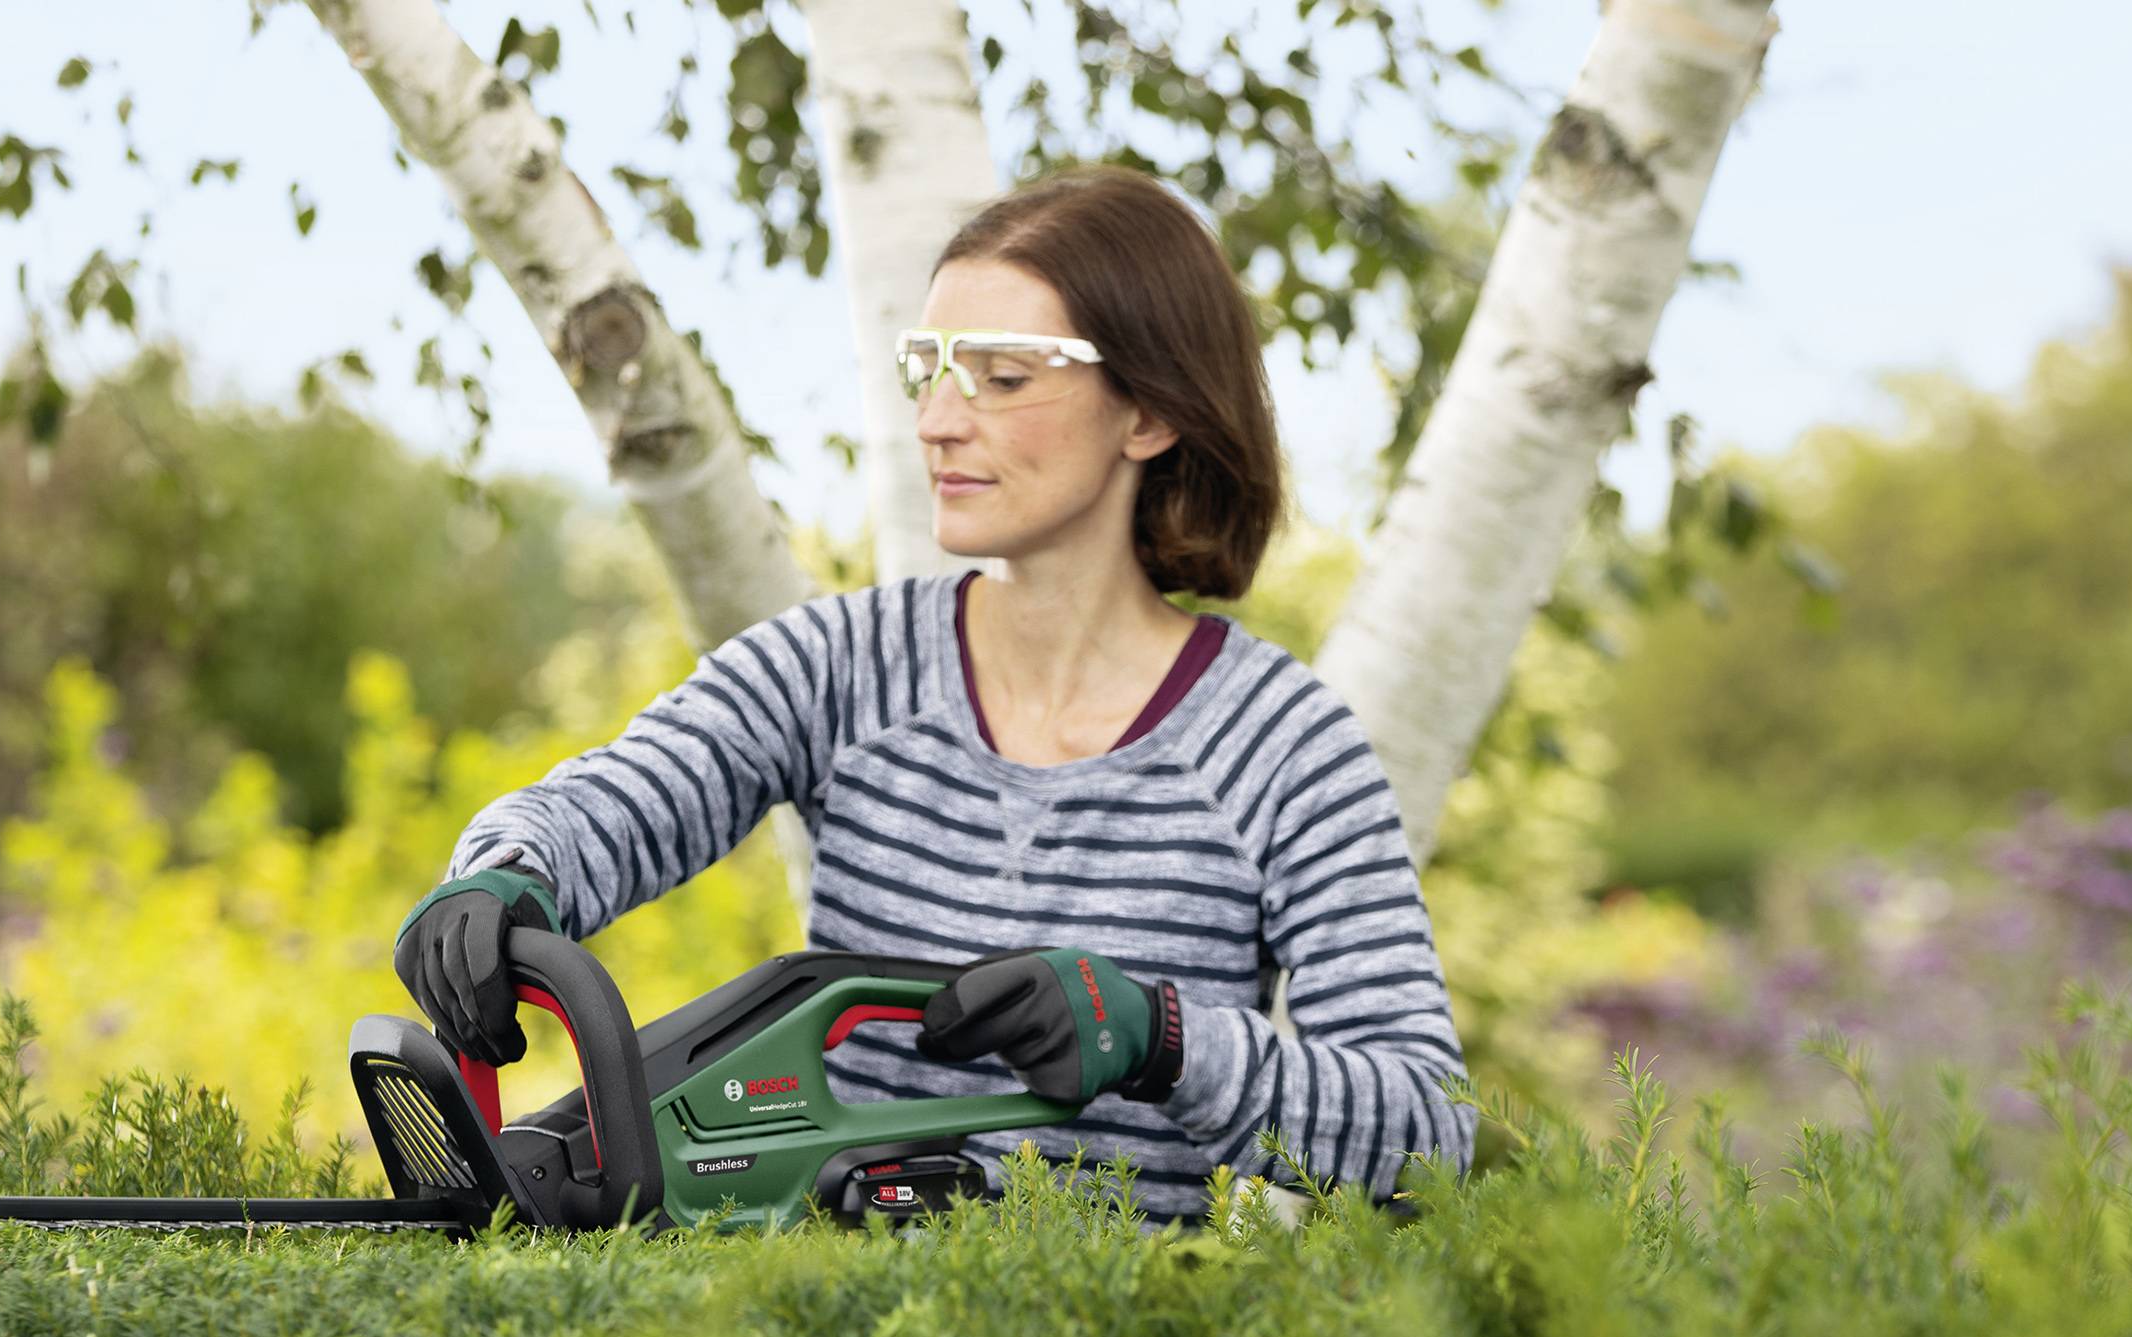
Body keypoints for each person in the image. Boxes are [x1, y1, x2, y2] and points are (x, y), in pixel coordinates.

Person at [394, 164, 1469, 1220]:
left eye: (1001, 377)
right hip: (827, 1312)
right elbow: (620, 797)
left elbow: (1429, 1135)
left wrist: (1162, 1039)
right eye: (930, 368)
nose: (938, 421)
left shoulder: (1285, 748)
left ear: (1147, 413)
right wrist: (507, 875)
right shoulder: (844, 664)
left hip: (1121, 1332)